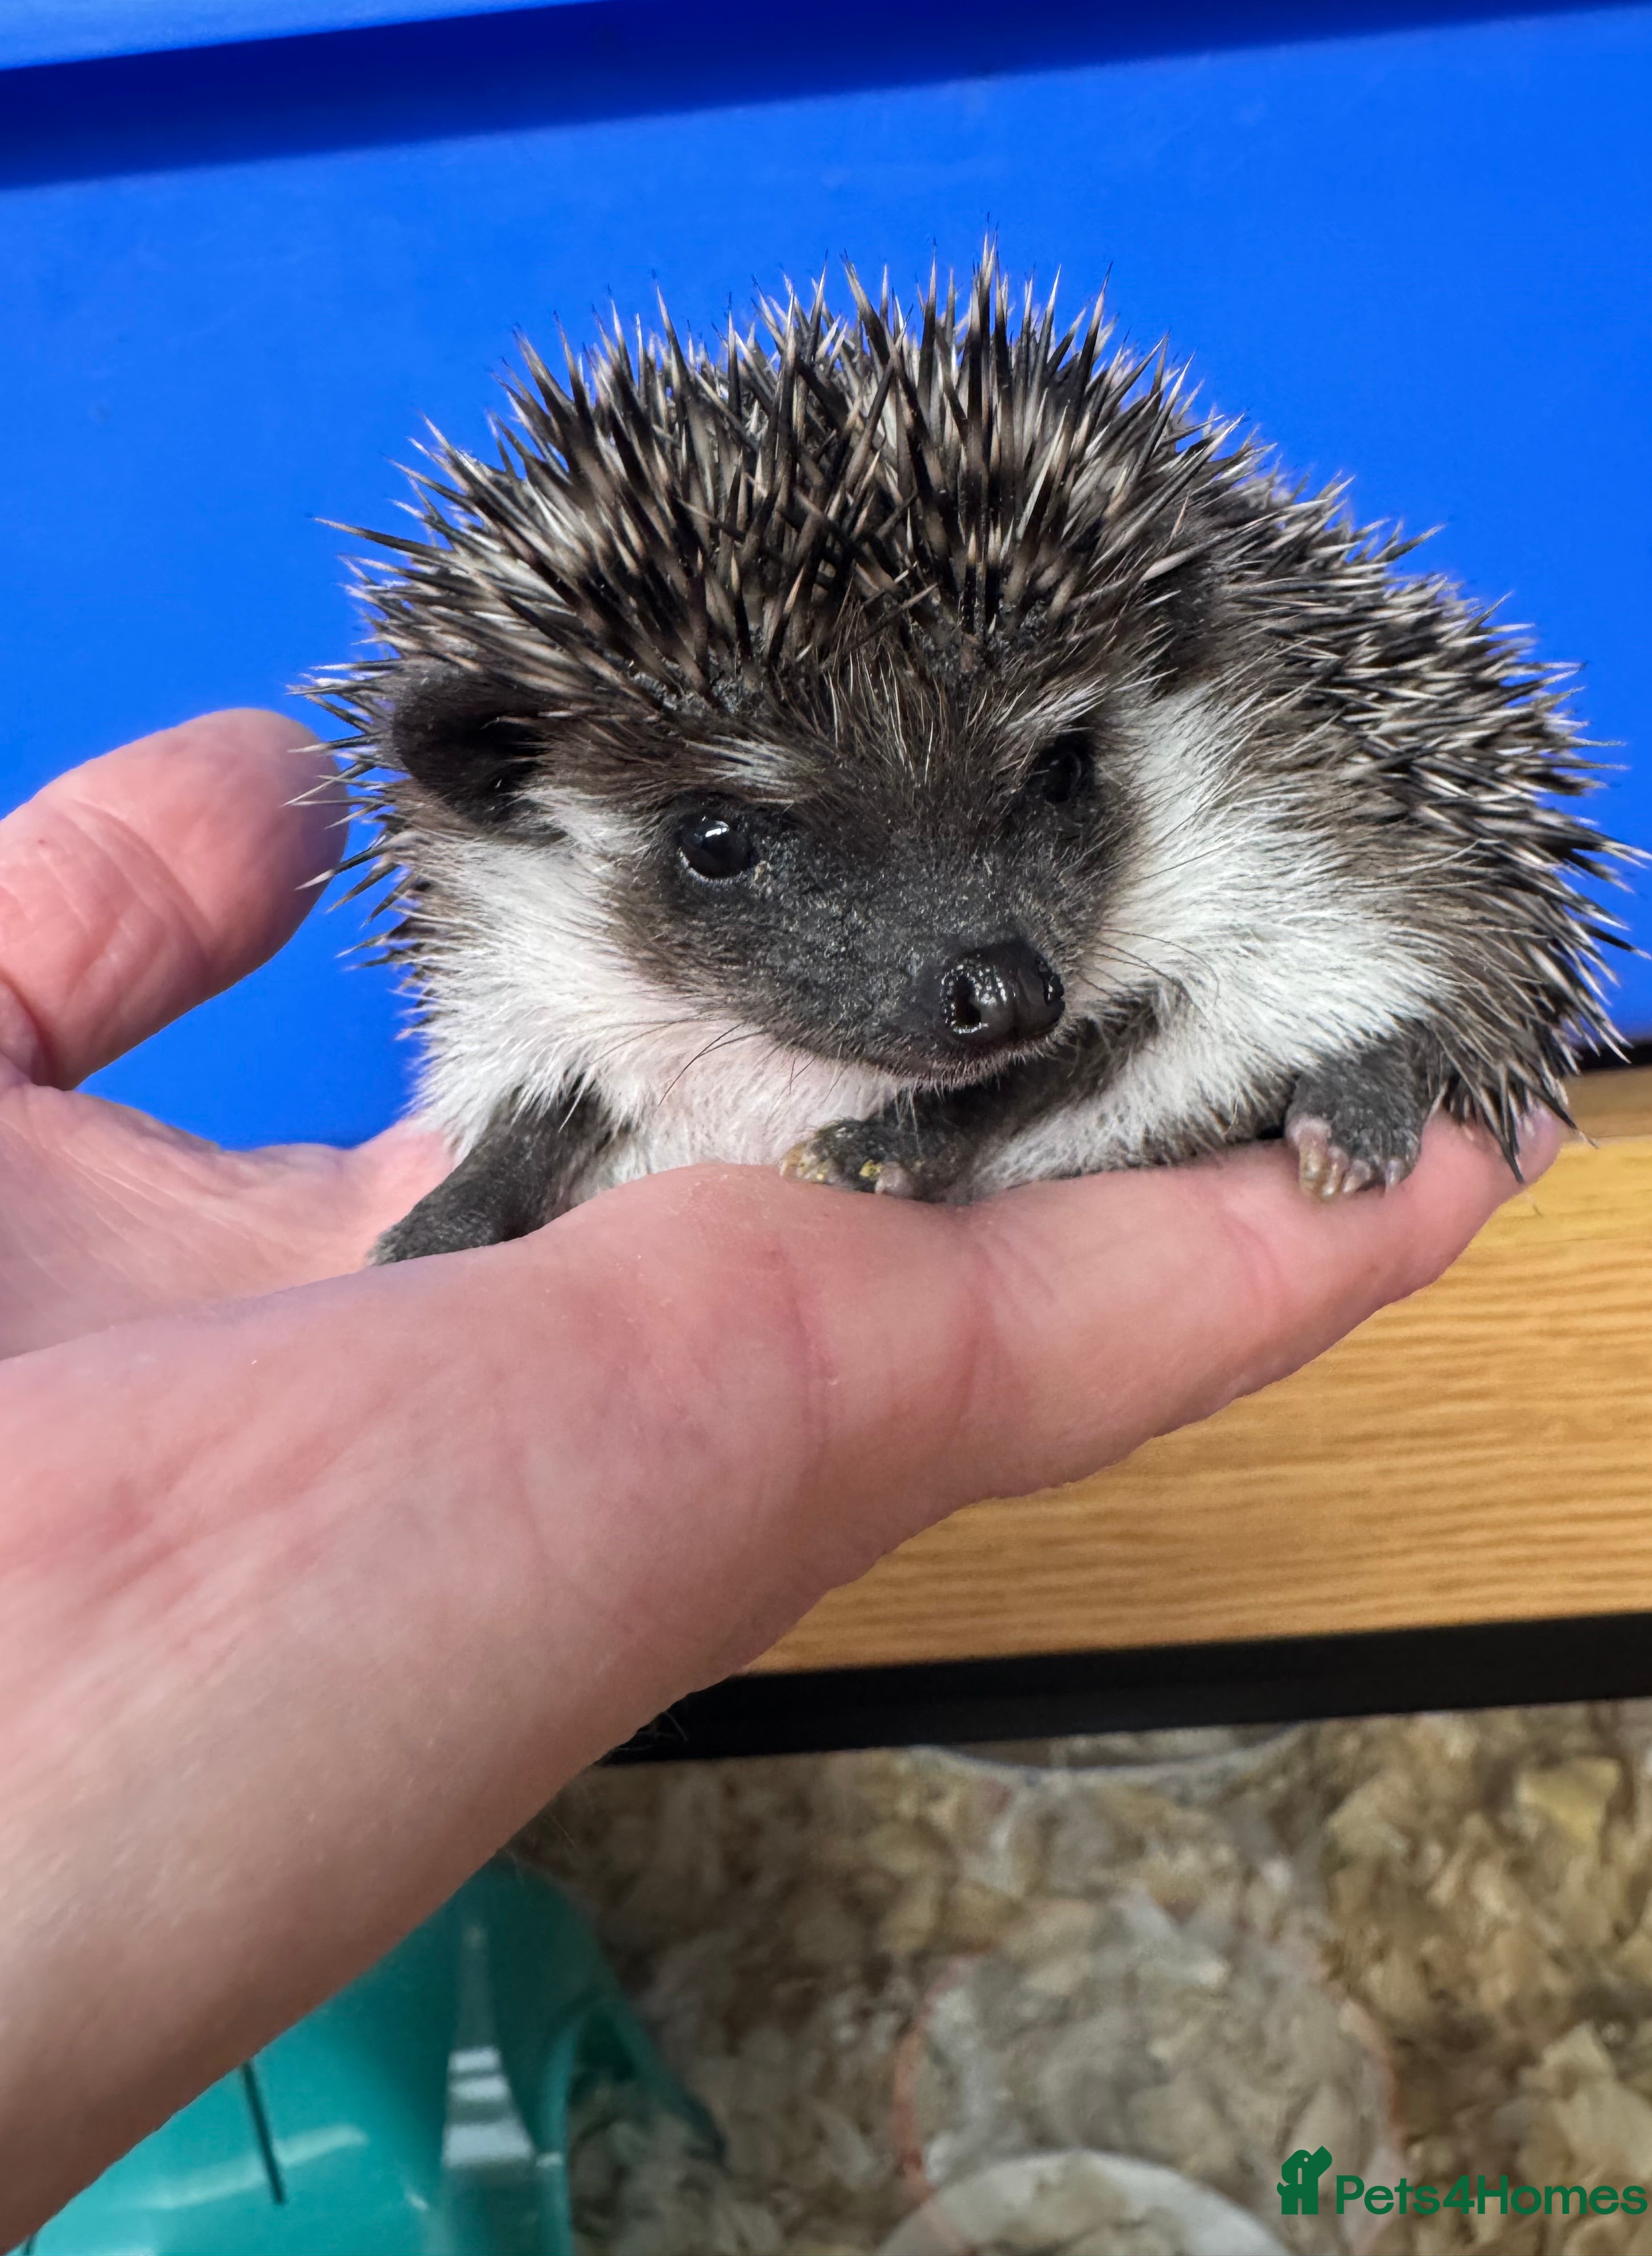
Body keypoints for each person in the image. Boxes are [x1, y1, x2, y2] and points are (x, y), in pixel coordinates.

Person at [0, 709, 1556, 2235]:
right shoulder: (540, 948)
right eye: (730, 845)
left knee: (1283, 1000)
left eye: (1053, 785)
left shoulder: (1199, 827)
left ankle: (1377, 1043)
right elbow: (546, 1095)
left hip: (1249, 958)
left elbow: (1175, 979)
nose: (987, 974)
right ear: (513, 799)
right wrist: (485, 1203)